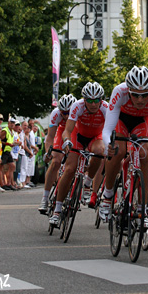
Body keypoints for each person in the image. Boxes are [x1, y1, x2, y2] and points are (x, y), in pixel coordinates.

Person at [100, 66, 148, 227]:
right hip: (121, 120)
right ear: (128, 90)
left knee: (143, 155)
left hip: (143, 120)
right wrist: (109, 145)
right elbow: (107, 130)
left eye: (144, 95)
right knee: (117, 151)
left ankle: (142, 207)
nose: (140, 100)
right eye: (135, 95)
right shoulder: (119, 91)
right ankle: (107, 194)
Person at [49, 82, 107, 226]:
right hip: (78, 136)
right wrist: (67, 141)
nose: (93, 104)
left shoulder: (106, 107)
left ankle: (87, 184)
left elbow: (110, 129)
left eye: (96, 100)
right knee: (69, 170)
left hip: (96, 136)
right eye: (89, 100)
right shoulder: (78, 106)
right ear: (84, 100)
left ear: (101, 99)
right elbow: (67, 130)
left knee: (100, 151)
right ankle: (57, 210)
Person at [38, 94, 77, 214]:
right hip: (61, 132)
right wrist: (49, 152)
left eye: (68, 113)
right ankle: (45, 198)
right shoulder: (56, 113)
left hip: (75, 131)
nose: (65, 115)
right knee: (55, 161)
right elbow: (50, 137)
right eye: (63, 112)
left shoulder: (78, 111)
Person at [0, 117, 18, 190]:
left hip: (8, 150)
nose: (12, 124)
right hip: (4, 150)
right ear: (8, 123)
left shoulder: (12, 132)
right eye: (11, 123)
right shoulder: (5, 131)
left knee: (12, 166)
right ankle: (2, 184)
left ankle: (9, 183)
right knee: (1, 167)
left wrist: (15, 143)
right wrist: (7, 144)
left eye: (13, 123)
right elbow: (0, 140)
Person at [20, 121, 34, 188]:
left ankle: (23, 182)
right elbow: (25, 146)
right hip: (23, 153)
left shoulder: (25, 135)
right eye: (24, 125)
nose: (26, 127)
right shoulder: (21, 133)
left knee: (25, 168)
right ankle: (22, 182)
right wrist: (30, 152)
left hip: (25, 153)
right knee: (23, 168)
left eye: (27, 126)